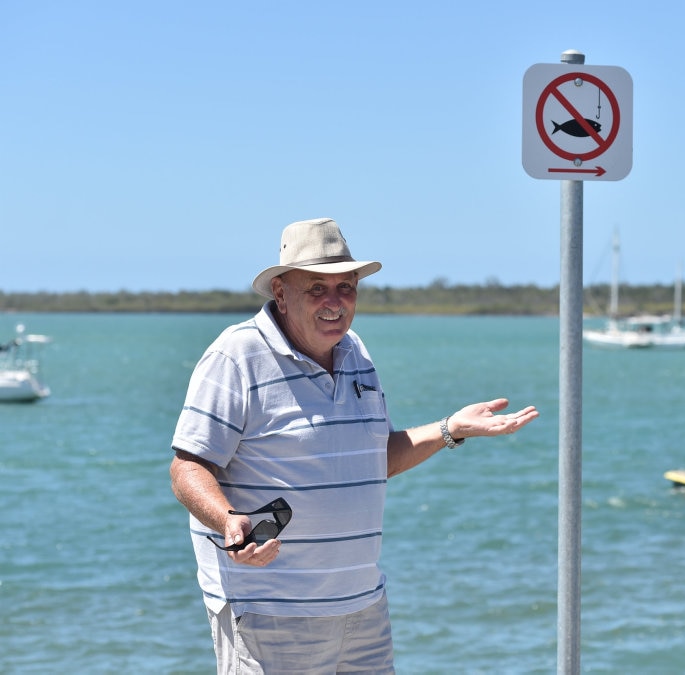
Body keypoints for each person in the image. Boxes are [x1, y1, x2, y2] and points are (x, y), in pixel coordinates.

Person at [169, 217, 539, 674]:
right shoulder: (236, 355)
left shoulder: (356, 352)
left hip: (362, 610)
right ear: (280, 292)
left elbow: (371, 459)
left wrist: (451, 428)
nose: (335, 302)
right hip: (271, 614)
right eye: (317, 289)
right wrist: (228, 522)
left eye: (346, 287)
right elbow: (187, 467)